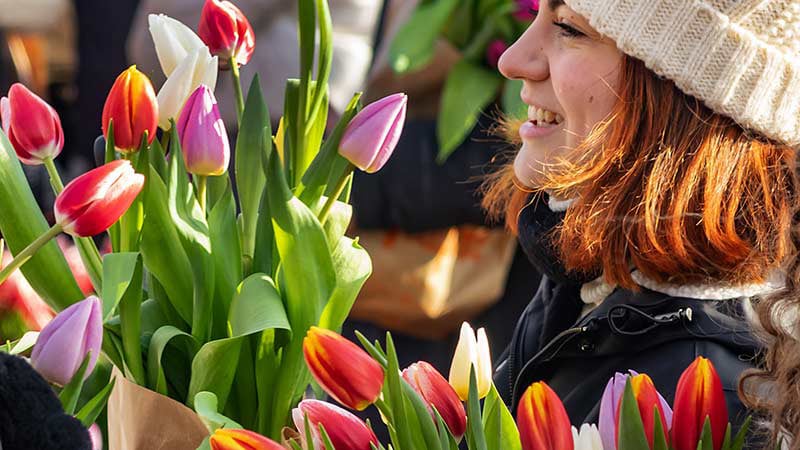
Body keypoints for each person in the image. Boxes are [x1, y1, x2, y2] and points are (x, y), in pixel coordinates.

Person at [487, 0, 799, 439]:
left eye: (569, 28)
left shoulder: (705, 400)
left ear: (678, 92)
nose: (512, 59)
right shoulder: (591, 287)